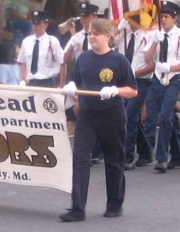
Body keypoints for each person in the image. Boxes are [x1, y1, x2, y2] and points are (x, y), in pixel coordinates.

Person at [59, 18, 138, 222]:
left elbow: (132, 90)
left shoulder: (119, 61)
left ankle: (114, 203)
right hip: (87, 116)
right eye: (90, 33)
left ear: (108, 36)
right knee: (80, 159)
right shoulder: (84, 59)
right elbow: (77, 85)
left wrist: (115, 90)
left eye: (96, 33)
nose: (92, 37)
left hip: (112, 116)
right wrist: (70, 90)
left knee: (114, 160)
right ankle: (77, 207)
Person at [143, 1, 180, 173]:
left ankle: (161, 158)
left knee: (165, 116)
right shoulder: (156, 35)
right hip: (158, 78)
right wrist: (154, 43)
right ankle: (177, 155)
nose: (163, 20)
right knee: (163, 116)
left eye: (166, 17)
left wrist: (172, 68)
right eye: (161, 16)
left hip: (173, 78)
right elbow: (147, 59)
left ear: (174, 18)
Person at [115, 19, 155, 170]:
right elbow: (109, 43)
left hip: (141, 80)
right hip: (124, 81)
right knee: (131, 118)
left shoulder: (149, 36)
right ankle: (145, 152)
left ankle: (127, 155)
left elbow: (153, 64)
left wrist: (133, 73)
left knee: (129, 115)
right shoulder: (123, 34)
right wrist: (118, 29)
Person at [17, 11, 64, 88]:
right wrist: (22, 80)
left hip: (47, 82)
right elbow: (23, 62)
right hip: (31, 82)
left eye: (38, 24)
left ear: (46, 24)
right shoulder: (26, 41)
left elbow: (63, 62)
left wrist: (61, 85)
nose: (35, 26)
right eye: (34, 23)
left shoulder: (52, 41)